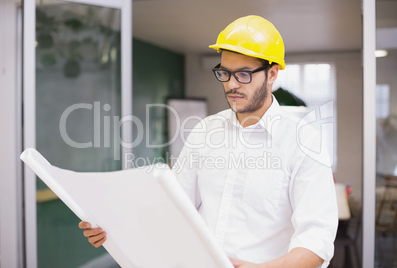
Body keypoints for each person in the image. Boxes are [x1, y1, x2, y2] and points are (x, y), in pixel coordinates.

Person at [79, 15, 338, 268]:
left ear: (271, 74)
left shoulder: (303, 143)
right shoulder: (205, 131)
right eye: (225, 73)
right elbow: (173, 209)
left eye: (244, 74)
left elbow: (317, 240)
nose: (232, 84)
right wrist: (112, 227)